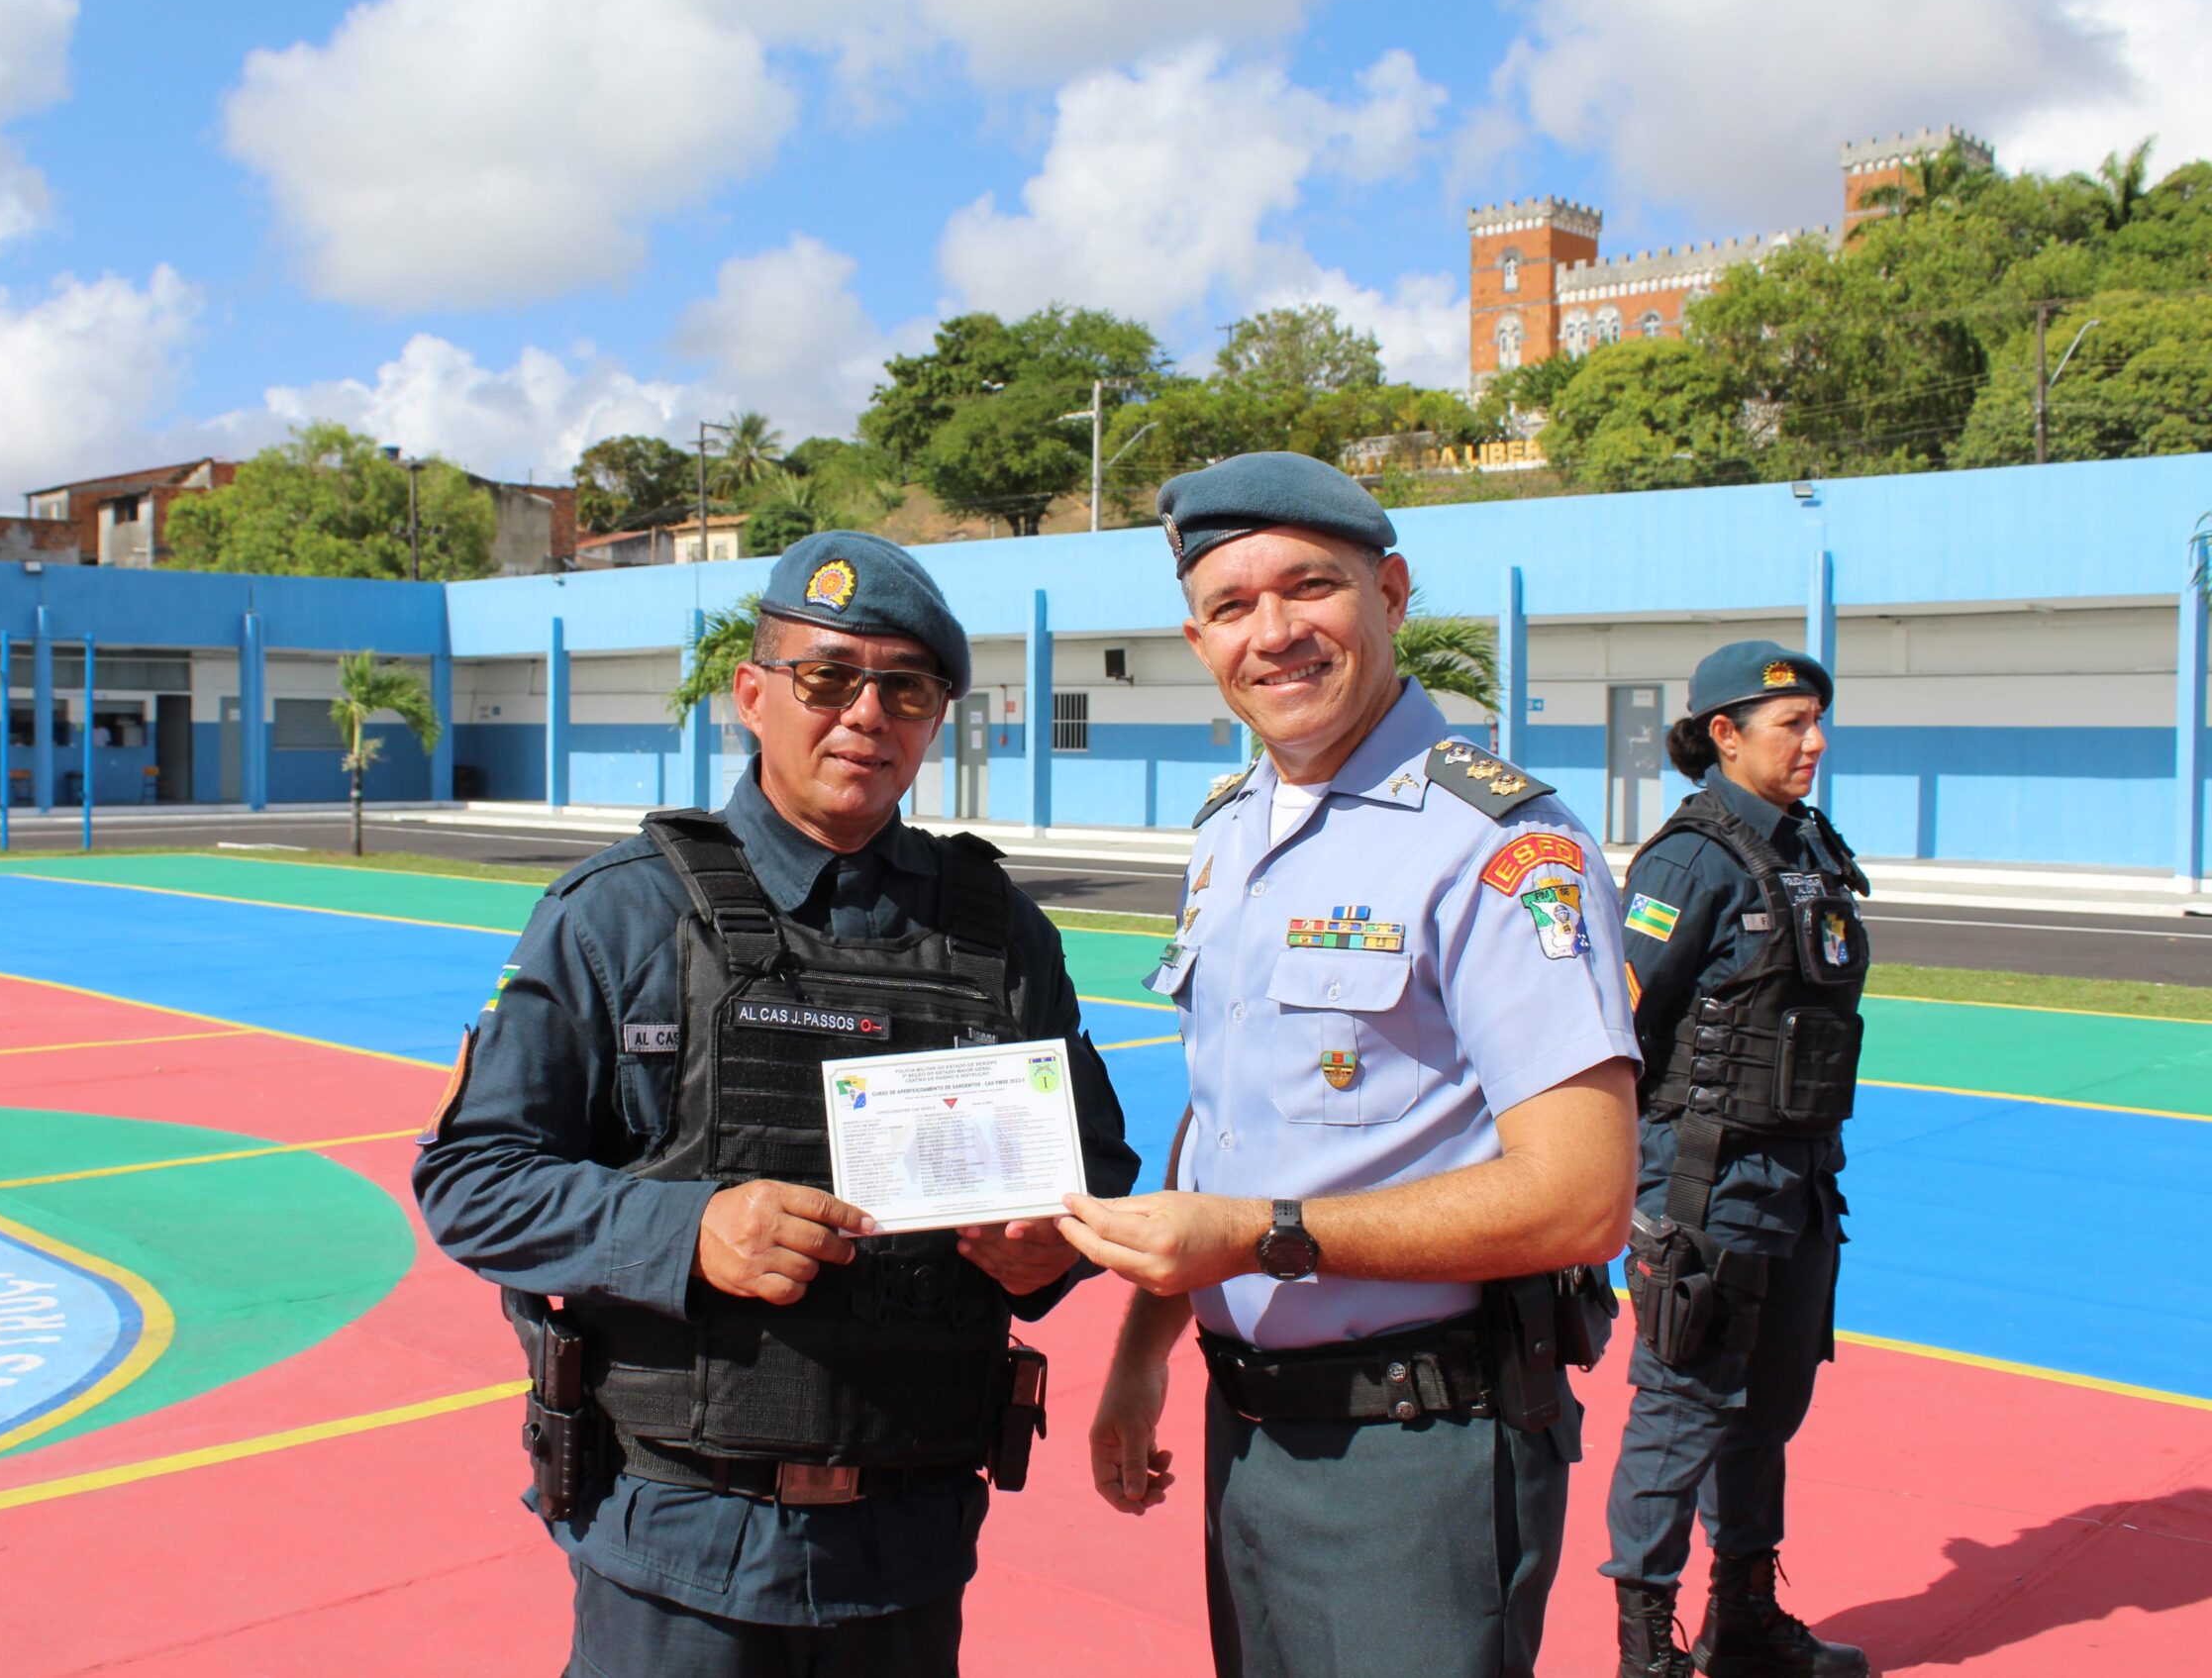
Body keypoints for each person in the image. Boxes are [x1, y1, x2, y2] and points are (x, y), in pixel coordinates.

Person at [412, 530, 1138, 1678]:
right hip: (674, 1551)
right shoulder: (617, 917)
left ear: (936, 718)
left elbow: (1094, 1171)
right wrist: (688, 1229)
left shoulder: (1002, 938)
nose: (865, 715)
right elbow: (471, 1181)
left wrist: (1050, 1249)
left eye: (905, 689)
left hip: (910, 1550)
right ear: (752, 695)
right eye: (827, 678)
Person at [1057, 450, 1640, 1678]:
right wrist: (1141, 1356)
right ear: (1198, 640)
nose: (1272, 633)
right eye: (1230, 607)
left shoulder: (1500, 843)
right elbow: (1223, 1126)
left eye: (1308, 587)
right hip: (1246, 1430)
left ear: (1391, 593)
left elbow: (1582, 1199)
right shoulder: (1227, 833)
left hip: (1416, 1445)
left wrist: (1260, 1237)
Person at [1602, 642, 1873, 1678]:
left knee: (1768, 1408)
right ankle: (1645, 1652)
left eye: (1816, 720)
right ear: (1724, 733)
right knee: (1681, 1413)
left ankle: (1744, 1620)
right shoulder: (1689, 860)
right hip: (1706, 1187)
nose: (1815, 742)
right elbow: (1617, 1026)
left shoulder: (1808, 846)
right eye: (1791, 724)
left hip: (1799, 1183)